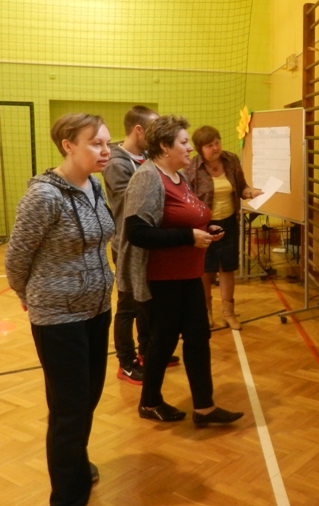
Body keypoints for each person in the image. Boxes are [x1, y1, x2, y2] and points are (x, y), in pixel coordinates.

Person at [5, 114, 115, 506]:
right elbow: (16, 258)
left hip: (97, 309)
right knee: (69, 409)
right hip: (58, 317)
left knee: (88, 399)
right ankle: (67, 496)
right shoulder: (44, 196)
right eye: (96, 143)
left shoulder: (94, 185)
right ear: (68, 145)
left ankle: (77, 465)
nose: (106, 151)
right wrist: (28, 294)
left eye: (108, 143)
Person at [116, 115, 244, 425]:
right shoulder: (148, 177)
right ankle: (149, 403)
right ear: (164, 146)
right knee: (163, 342)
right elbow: (137, 233)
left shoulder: (178, 176)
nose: (190, 148)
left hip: (187, 275)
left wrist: (206, 229)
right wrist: (188, 236)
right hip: (161, 279)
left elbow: (182, 217)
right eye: (184, 142)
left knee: (198, 337)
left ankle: (204, 408)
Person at [103, 105, 180, 385]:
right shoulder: (116, 163)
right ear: (139, 130)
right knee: (129, 305)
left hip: (148, 240)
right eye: (153, 129)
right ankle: (125, 362)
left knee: (147, 300)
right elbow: (136, 199)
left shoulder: (146, 156)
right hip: (127, 243)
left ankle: (147, 351)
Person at [184, 125, 261, 330]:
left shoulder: (231, 160)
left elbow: (241, 187)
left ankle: (228, 313)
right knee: (205, 270)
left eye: (217, 143)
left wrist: (250, 193)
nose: (216, 148)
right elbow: (187, 199)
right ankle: (206, 312)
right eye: (209, 146)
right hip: (204, 226)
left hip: (229, 223)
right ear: (200, 149)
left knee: (227, 268)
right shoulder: (192, 167)